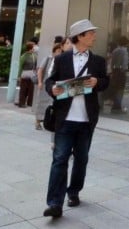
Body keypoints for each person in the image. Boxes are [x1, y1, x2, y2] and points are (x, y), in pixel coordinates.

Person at [43, 20, 109, 218]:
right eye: (90, 33)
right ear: (80, 36)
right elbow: (50, 80)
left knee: (82, 159)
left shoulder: (98, 61)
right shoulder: (62, 59)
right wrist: (52, 89)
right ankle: (55, 202)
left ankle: (74, 191)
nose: (94, 36)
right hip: (65, 118)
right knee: (59, 159)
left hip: (86, 119)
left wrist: (98, 82)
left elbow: (106, 82)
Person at [34, 37, 66, 130]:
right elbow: (40, 70)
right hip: (45, 85)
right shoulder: (48, 58)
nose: (59, 52)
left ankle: (48, 121)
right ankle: (37, 121)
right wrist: (40, 82)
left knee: (50, 104)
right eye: (57, 51)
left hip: (55, 87)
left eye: (60, 51)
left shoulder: (62, 61)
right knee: (41, 104)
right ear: (54, 51)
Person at [108, 36, 129, 113]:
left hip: (115, 71)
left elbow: (111, 62)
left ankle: (115, 105)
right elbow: (124, 64)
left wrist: (113, 70)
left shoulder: (115, 51)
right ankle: (117, 107)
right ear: (126, 43)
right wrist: (124, 70)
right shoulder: (125, 51)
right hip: (121, 72)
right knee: (120, 90)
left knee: (115, 88)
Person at [17, 42, 38, 108]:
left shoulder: (35, 56)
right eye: (33, 47)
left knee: (31, 89)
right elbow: (20, 67)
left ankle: (30, 102)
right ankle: (21, 103)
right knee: (23, 89)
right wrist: (19, 76)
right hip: (25, 74)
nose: (34, 48)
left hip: (32, 74)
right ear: (30, 48)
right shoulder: (24, 56)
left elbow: (36, 65)